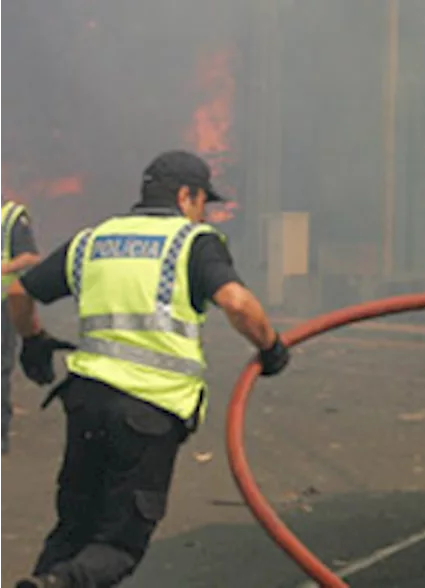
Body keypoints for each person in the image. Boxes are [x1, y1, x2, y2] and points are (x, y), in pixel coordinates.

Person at [9, 150, 292, 588]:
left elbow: (19, 292)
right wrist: (271, 347)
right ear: (186, 195)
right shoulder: (192, 242)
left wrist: (34, 341)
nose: (203, 213)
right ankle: (55, 585)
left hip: (85, 403)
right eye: (203, 203)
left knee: (73, 530)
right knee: (119, 544)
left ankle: (48, 579)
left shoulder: (93, 239)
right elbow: (237, 302)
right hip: (147, 412)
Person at [0, 195, 42, 455]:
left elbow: (31, 257)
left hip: (2, 303)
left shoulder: (11, 217)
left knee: (0, 369)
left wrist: (6, 267)